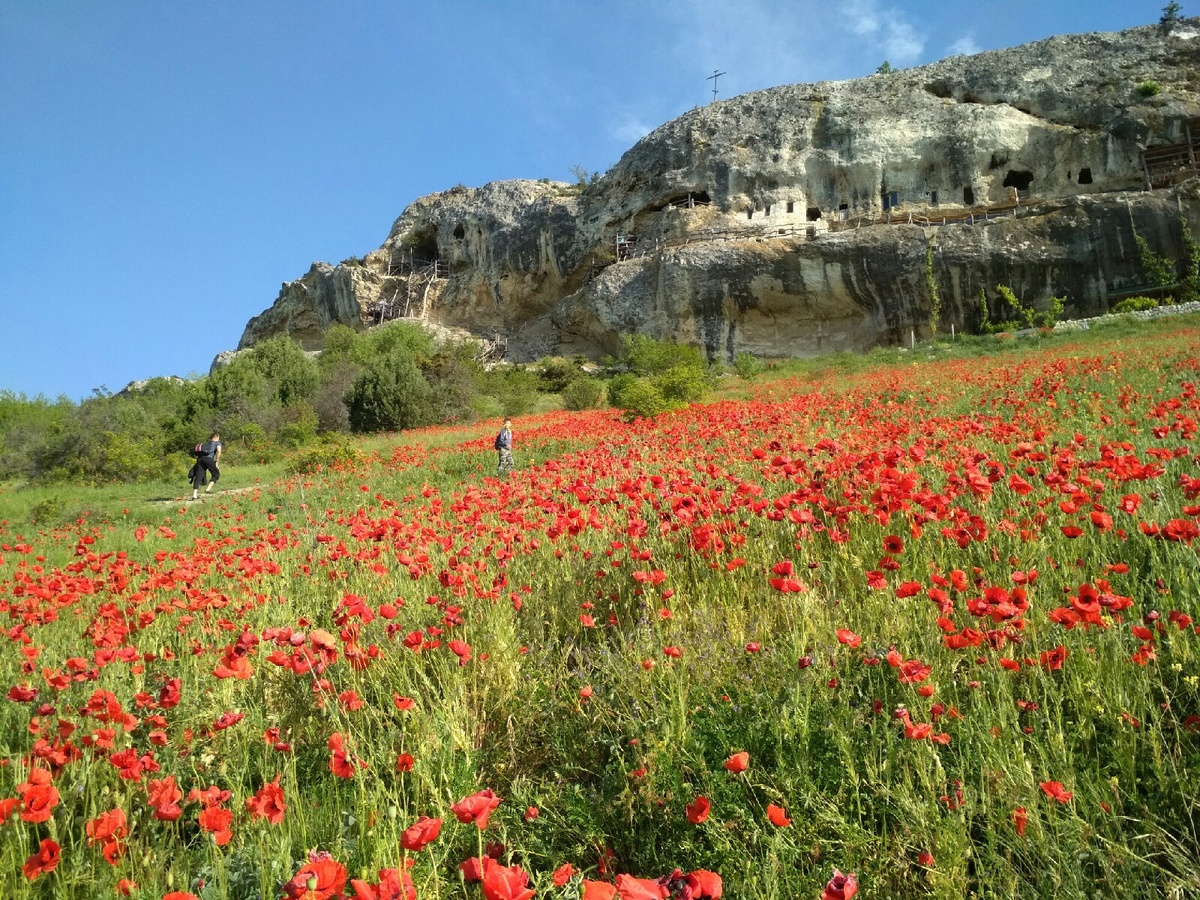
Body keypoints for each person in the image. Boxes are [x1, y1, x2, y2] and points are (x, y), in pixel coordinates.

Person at [191, 432, 222, 499]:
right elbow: (218, 451)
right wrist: (216, 461)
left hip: (200, 460)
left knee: (198, 477)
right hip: (208, 459)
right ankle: (208, 489)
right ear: (216, 437)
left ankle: (194, 495)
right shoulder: (217, 443)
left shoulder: (205, 444)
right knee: (216, 474)